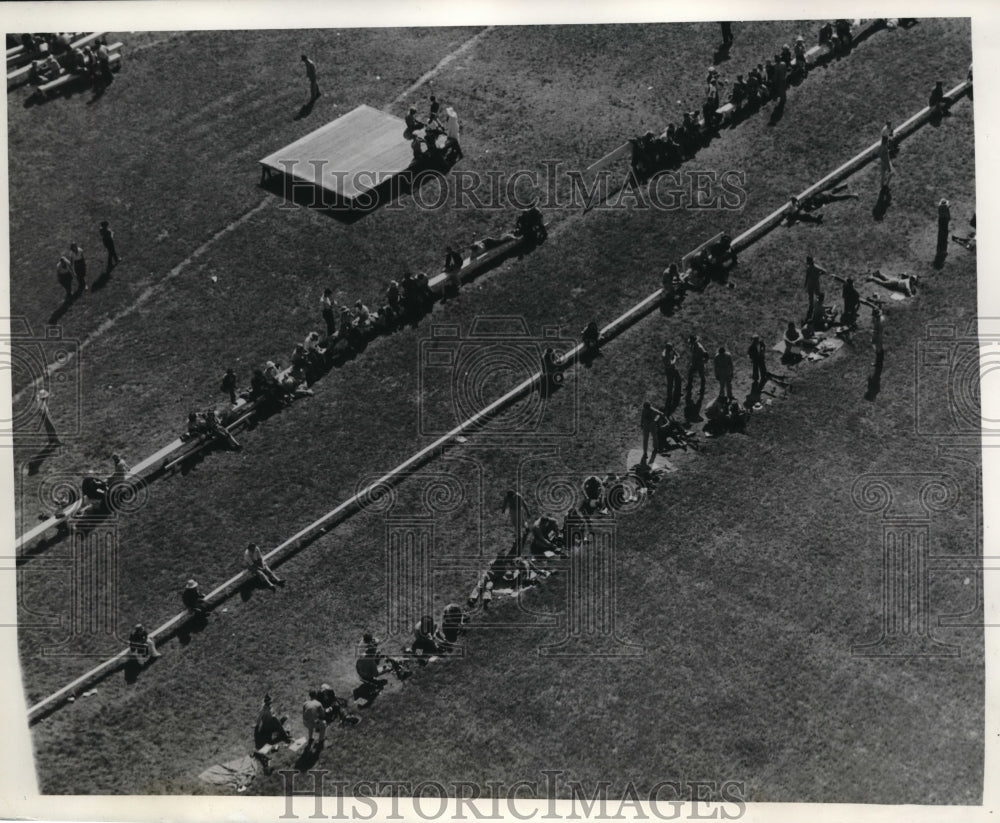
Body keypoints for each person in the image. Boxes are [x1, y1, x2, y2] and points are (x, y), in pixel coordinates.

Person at [804, 255, 826, 320]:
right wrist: (819, 274)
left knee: (812, 295)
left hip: (811, 283)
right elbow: (824, 271)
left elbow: (807, 277)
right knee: (816, 294)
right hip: (815, 283)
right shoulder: (816, 267)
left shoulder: (809, 268)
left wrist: (805, 284)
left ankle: (813, 306)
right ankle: (818, 304)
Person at [662, 343, 682, 411]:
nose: (671, 349)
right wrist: (675, 358)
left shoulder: (670, 350)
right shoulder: (664, 355)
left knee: (678, 380)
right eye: (670, 349)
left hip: (673, 368)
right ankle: (669, 397)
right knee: (670, 384)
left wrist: (676, 355)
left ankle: (677, 393)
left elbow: (675, 353)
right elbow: (669, 364)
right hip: (669, 370)